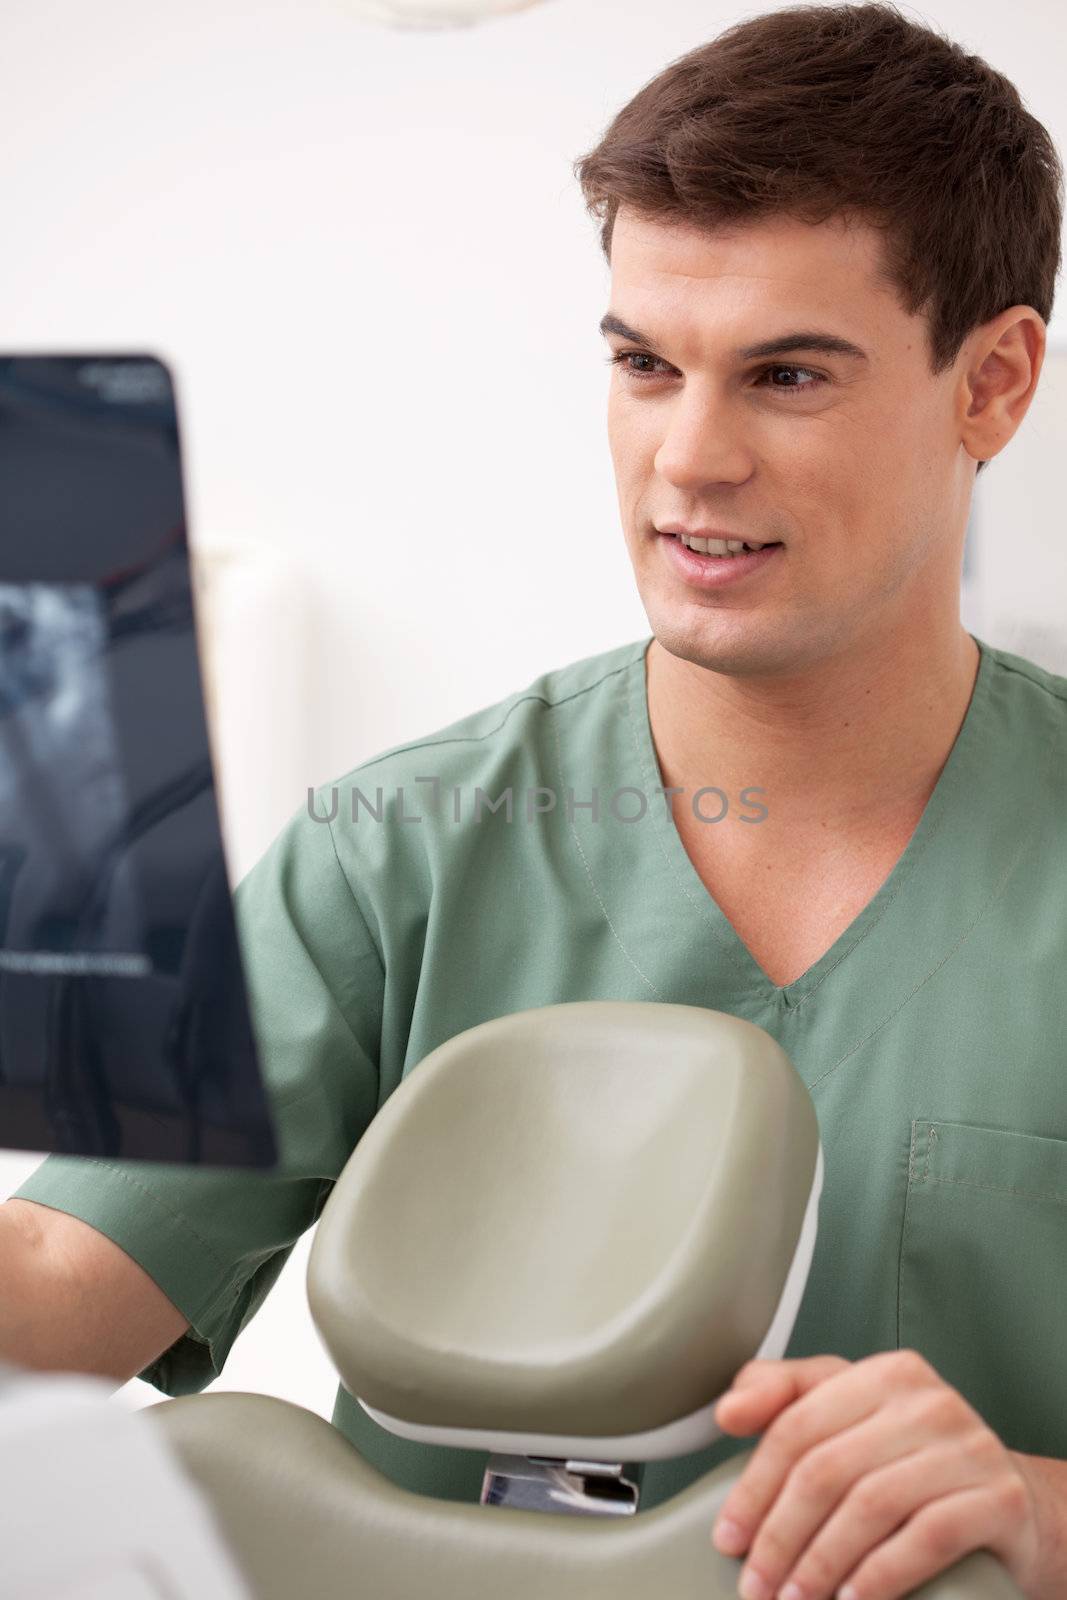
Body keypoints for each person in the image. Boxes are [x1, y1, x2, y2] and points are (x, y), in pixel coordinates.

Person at [3, 3, 1067, 1594]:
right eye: (646, 365)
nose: (686, 461)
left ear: (989, 386)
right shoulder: (404, 853)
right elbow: (53, 1297)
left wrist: (1041, 1511)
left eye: (785, 374)